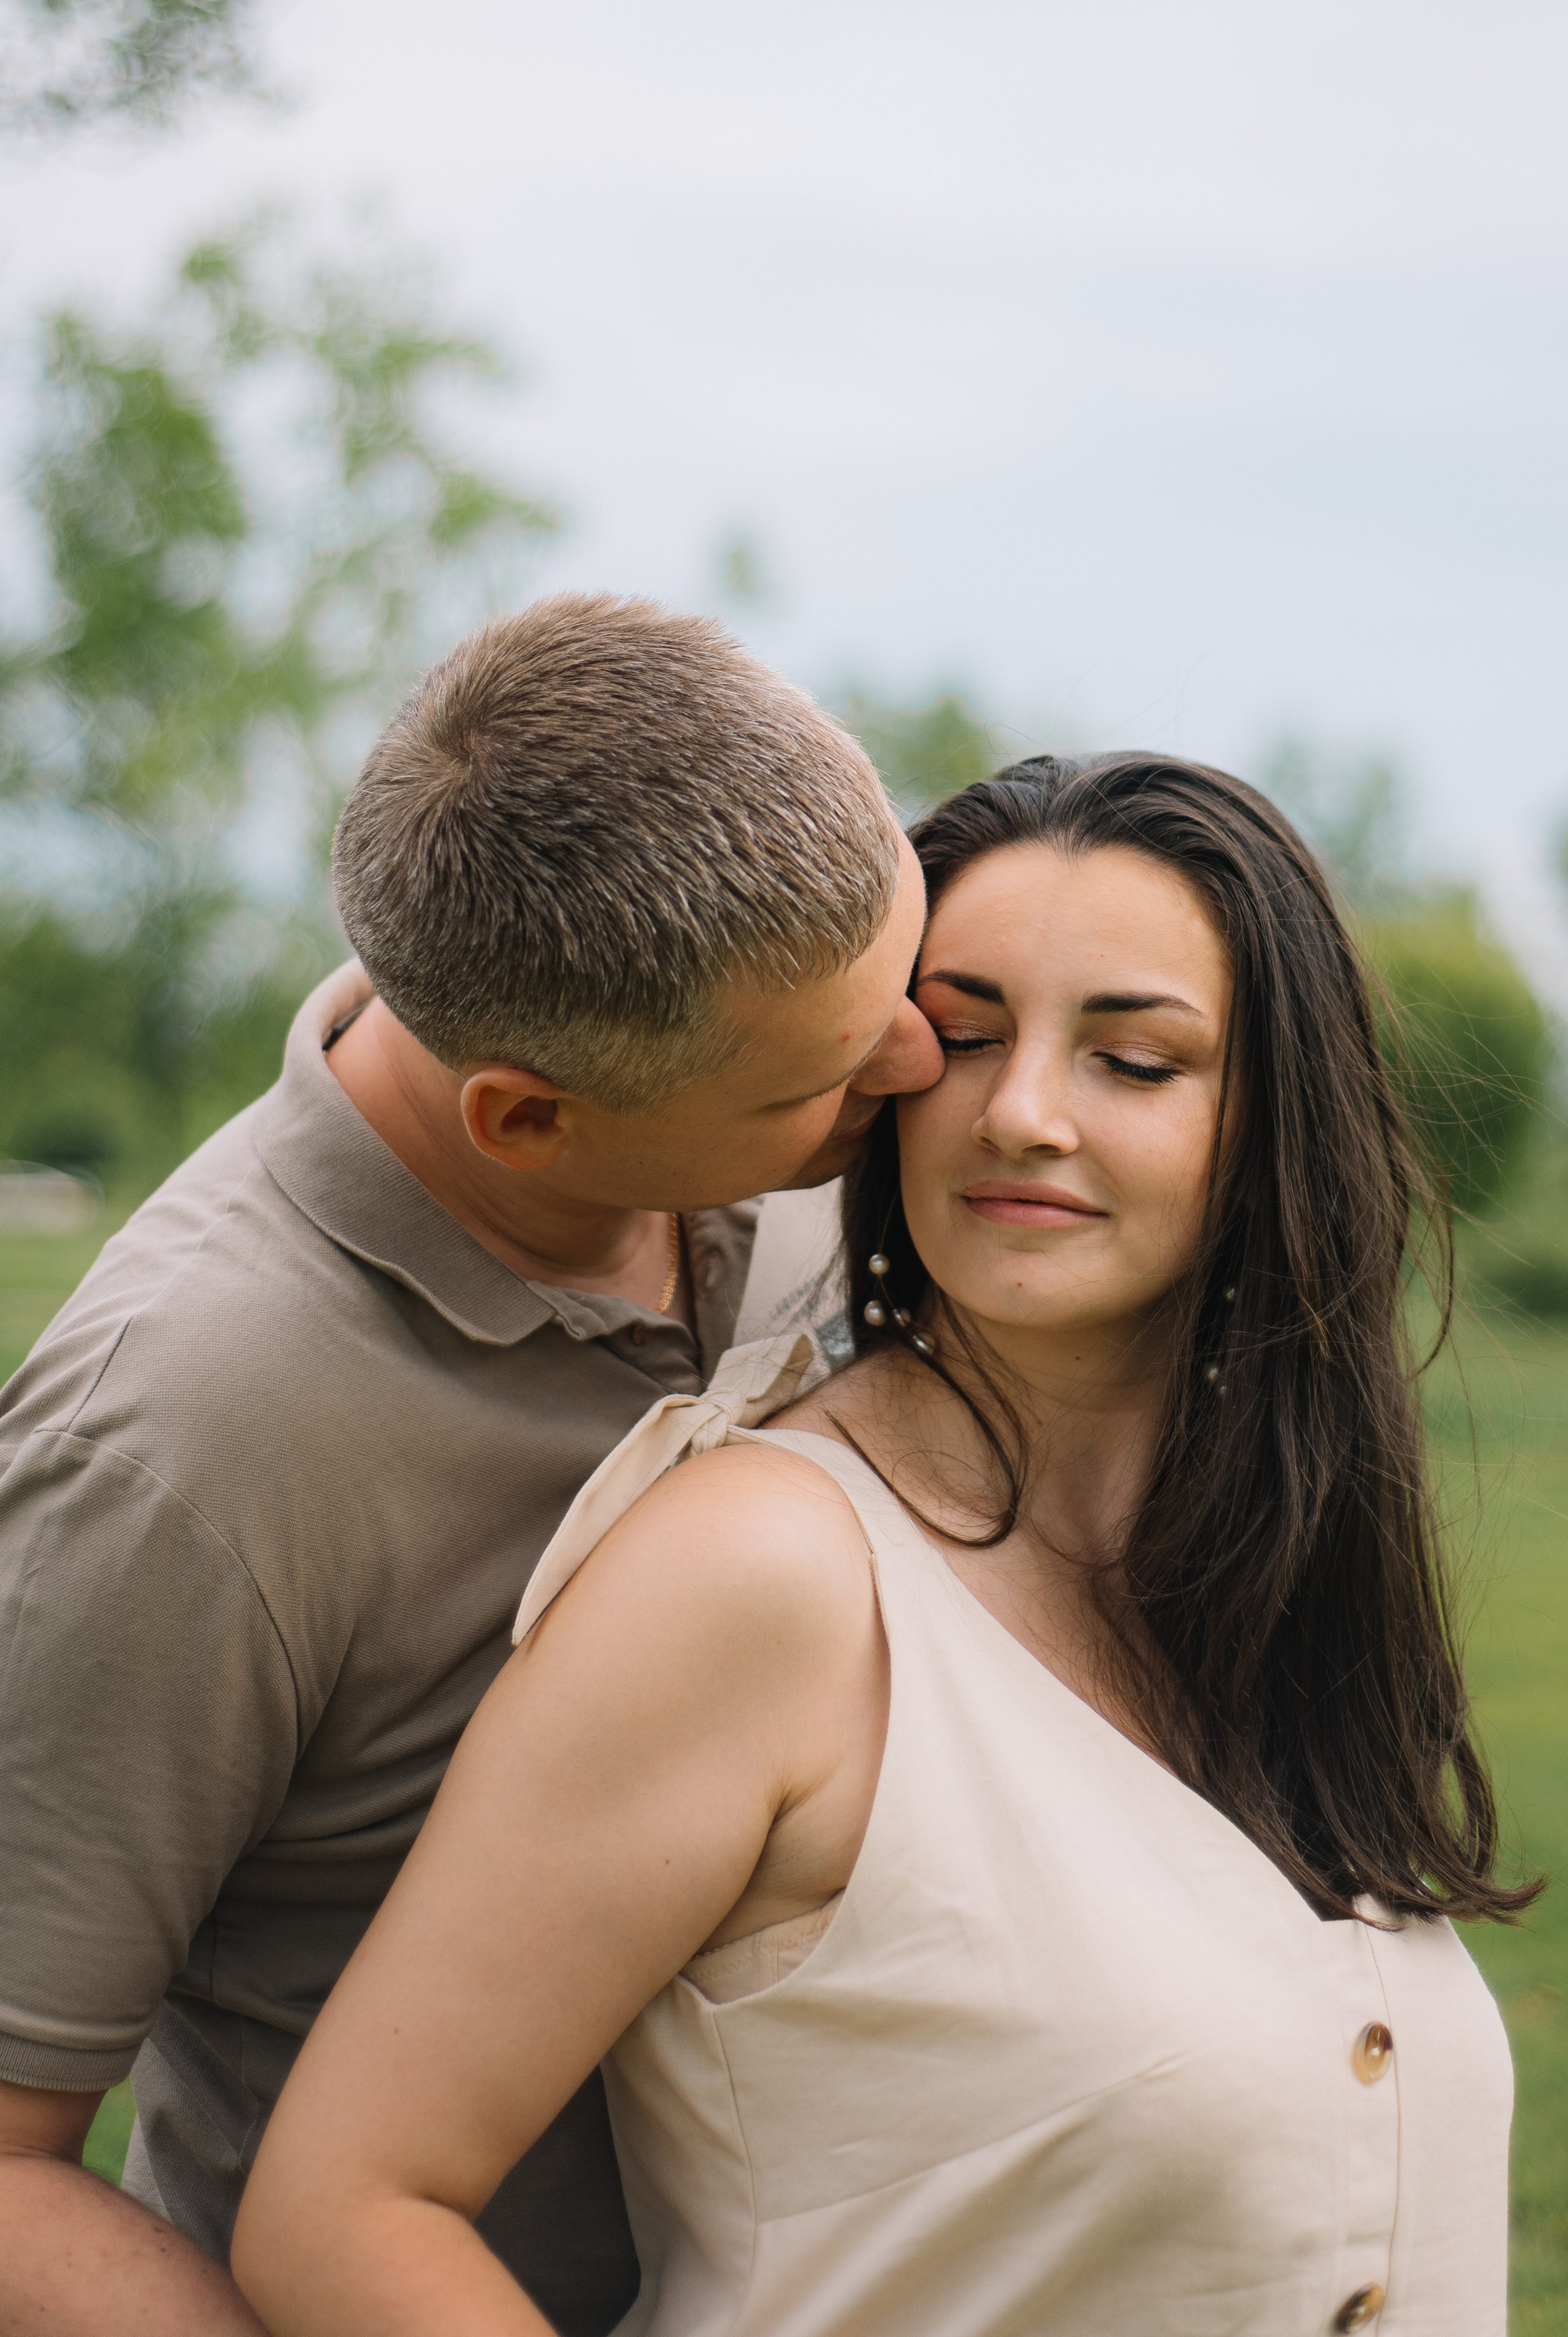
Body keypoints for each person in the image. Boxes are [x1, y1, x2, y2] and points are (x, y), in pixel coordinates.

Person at [232, 750, 1535, 2337]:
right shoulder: (762, 1574)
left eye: (1132, 1060)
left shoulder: (1272, 1574)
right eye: (962, 1039)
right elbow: (346, 2212)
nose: (1022, 1114)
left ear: (1276, 1125)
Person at [0, 594, 941, 2337]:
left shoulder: (771, 1132)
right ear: (525, 1116)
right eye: (822, 1079)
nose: (921, 1067)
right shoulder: (177, 1449)